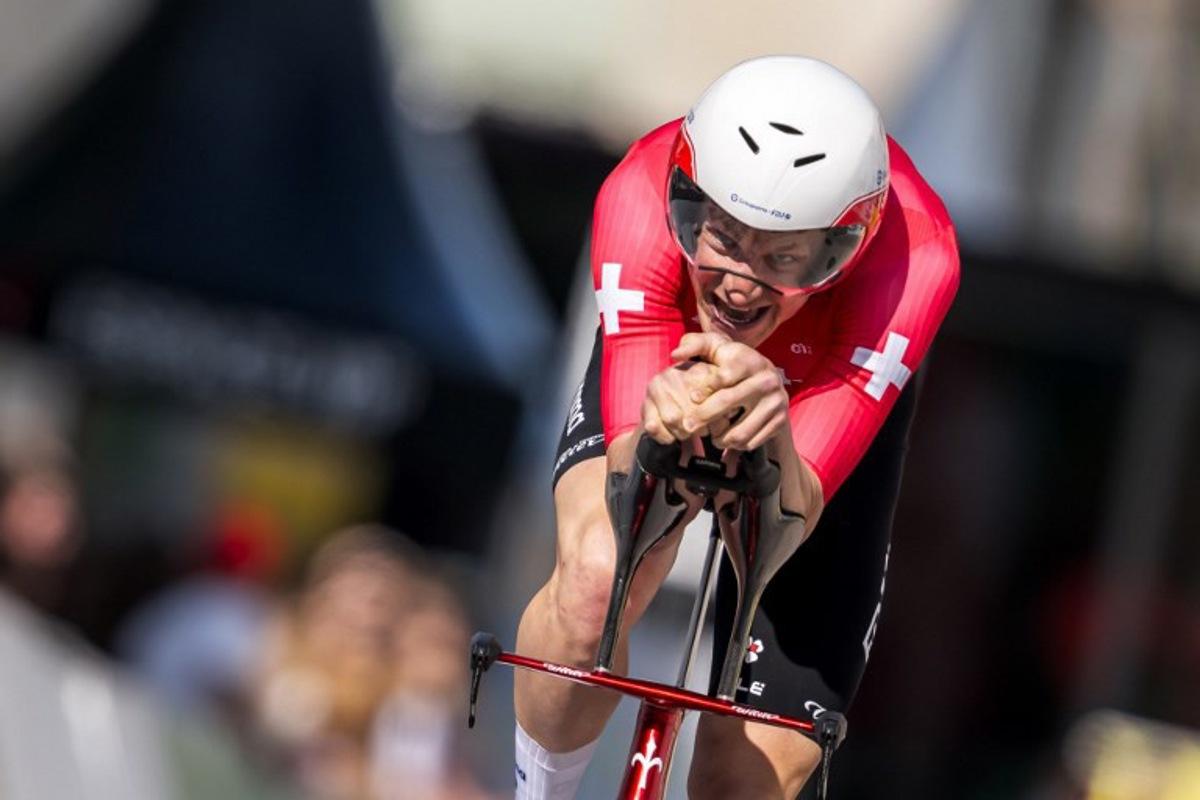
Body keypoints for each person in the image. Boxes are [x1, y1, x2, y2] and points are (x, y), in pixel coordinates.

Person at [514, 55, 960, 799]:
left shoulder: (917, 259)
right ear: (684, 195)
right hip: (666, 344)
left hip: (821, 388)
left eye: (786, 257)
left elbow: (799, 507)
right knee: (596, 583)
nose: (741, 286)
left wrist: (776, 428)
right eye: (718, 235)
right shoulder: (635, 194)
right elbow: (627, 470)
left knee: (746, 771)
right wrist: (659, 432)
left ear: (850, 242)